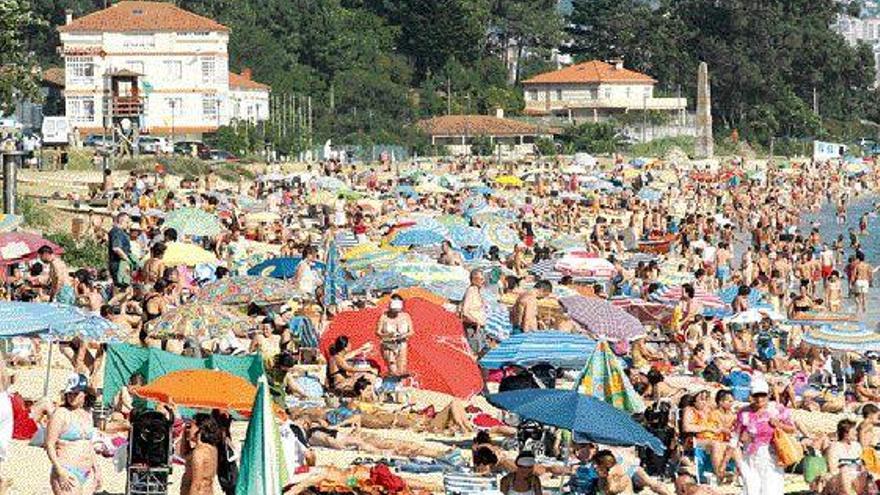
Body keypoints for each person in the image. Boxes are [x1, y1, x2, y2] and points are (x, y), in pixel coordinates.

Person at [733, 377, 795, 495]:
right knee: (751, 488)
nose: (759, 399)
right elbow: (736, 435)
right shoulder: (744, 412)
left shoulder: (777, 410)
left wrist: (779, 425)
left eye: (762, 395)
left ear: (768, 394)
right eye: (756, 395)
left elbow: (792, 429)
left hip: (771, 454)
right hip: (750, 456)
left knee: (771, 488)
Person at [45, 373, 100, 495]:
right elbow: (49, 444)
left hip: (87, 472)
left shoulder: (88, 413)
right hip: (67, 470)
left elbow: (89, 444)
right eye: (69, 393)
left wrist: (96, 468)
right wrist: (60, 470)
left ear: (85, 394)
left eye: (76, 393)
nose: (72, 397)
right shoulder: (61, 413)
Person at [180, 413, 220, 495]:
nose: (189, 429)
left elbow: (196, 484)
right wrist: (185, 434)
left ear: (200, 429)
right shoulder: (211, 448)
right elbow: (184, 454)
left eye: (191, 426)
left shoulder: (199, 452)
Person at [376, 294, 413, 376]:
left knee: (401, 370)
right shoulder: (384, 317)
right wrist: (387, 334)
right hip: (388, 344)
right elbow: (377, 332)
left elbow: (411, 332)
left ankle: (397, 386)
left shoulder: (406, 316)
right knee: (393, 370)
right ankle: (391, 384)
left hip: (402, 344)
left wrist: (403, 335)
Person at [460, 269, 488, 355]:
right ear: (473, 279)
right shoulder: (471, 291)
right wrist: (476, 322)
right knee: (476, 352)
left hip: (478, 328)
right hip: (473, 328)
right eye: (481, 279)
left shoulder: (477, 291)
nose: (483, 281)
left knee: (480, 352)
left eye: (483, 279)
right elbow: (464, 311)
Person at [108, 212, 133, 290]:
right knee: (122, 289)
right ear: (122, 221)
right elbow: (116, 248)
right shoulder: (117, 232)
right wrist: (127, 259)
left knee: (125, 290)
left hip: (119, 263)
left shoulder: (120, 232)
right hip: (118, 264)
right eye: (127, 222)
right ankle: (110, 303)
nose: (128, 224)